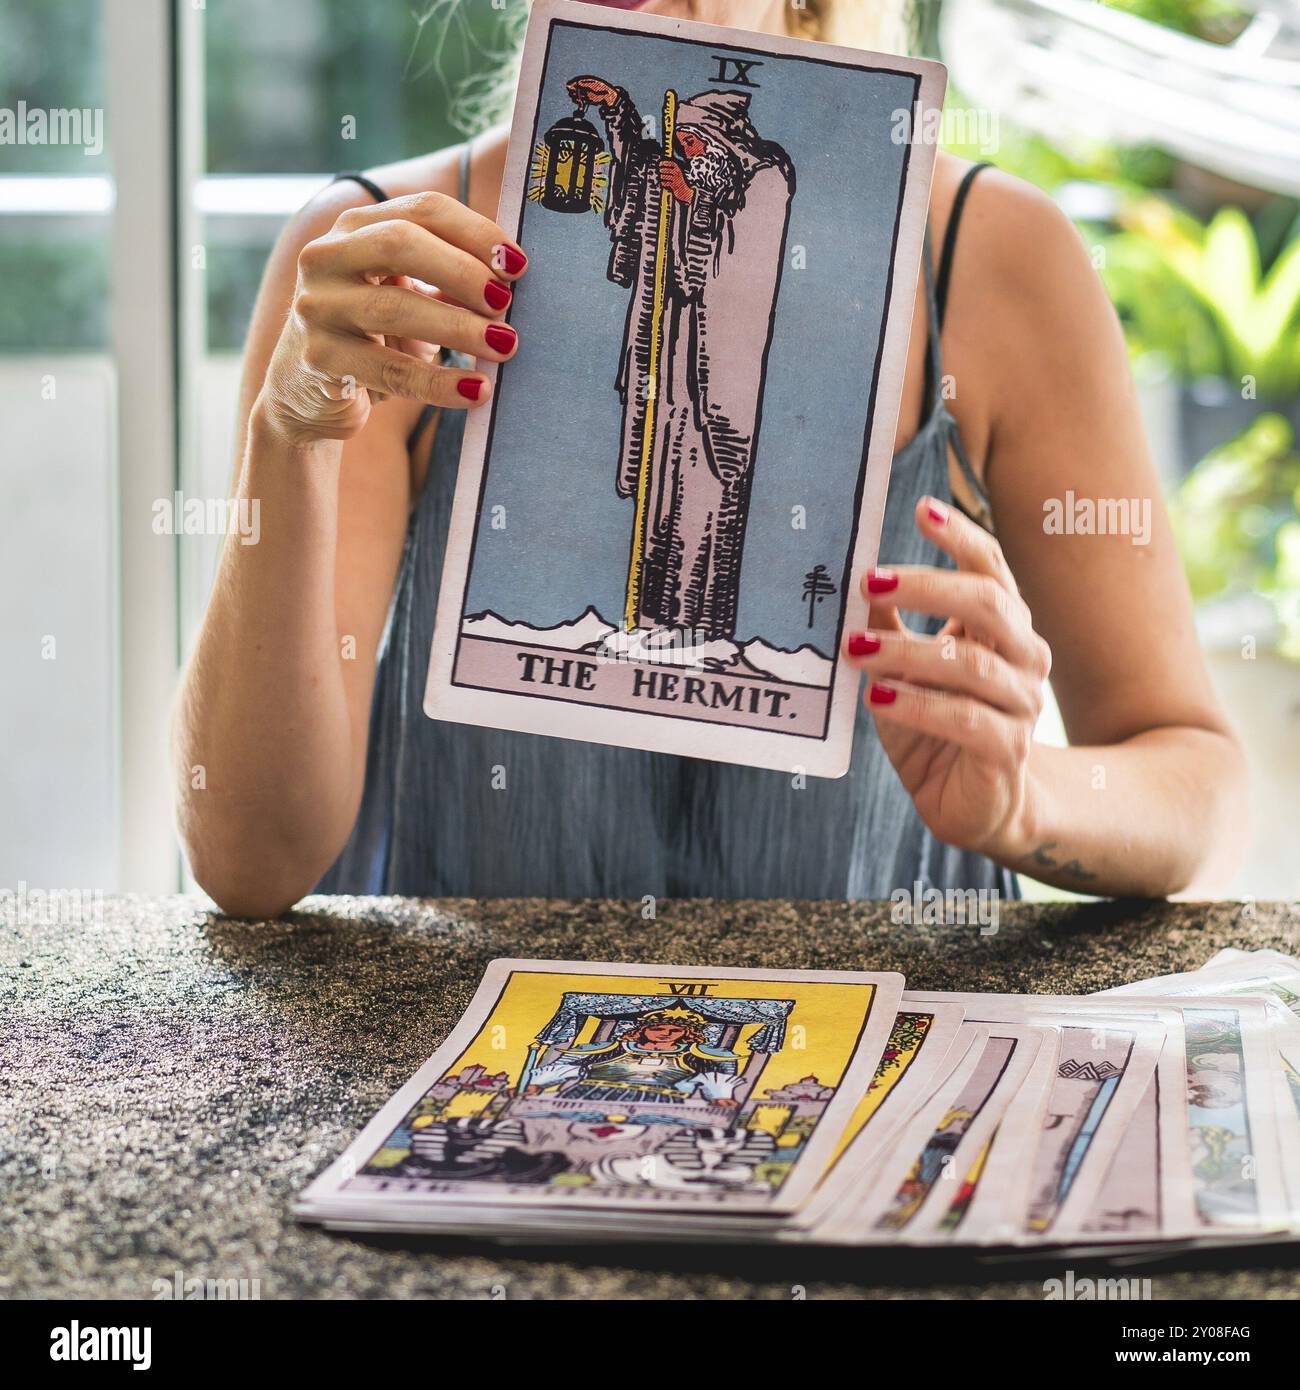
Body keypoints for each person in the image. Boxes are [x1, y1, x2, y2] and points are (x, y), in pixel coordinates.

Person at [173, 0, 1248, 916]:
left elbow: (1194, 781)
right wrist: (290, 434)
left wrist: (1030, 797)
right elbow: (248, 864)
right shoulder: (373, 271)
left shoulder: (995, 257)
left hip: (880, 1079)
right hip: (459, 1050)